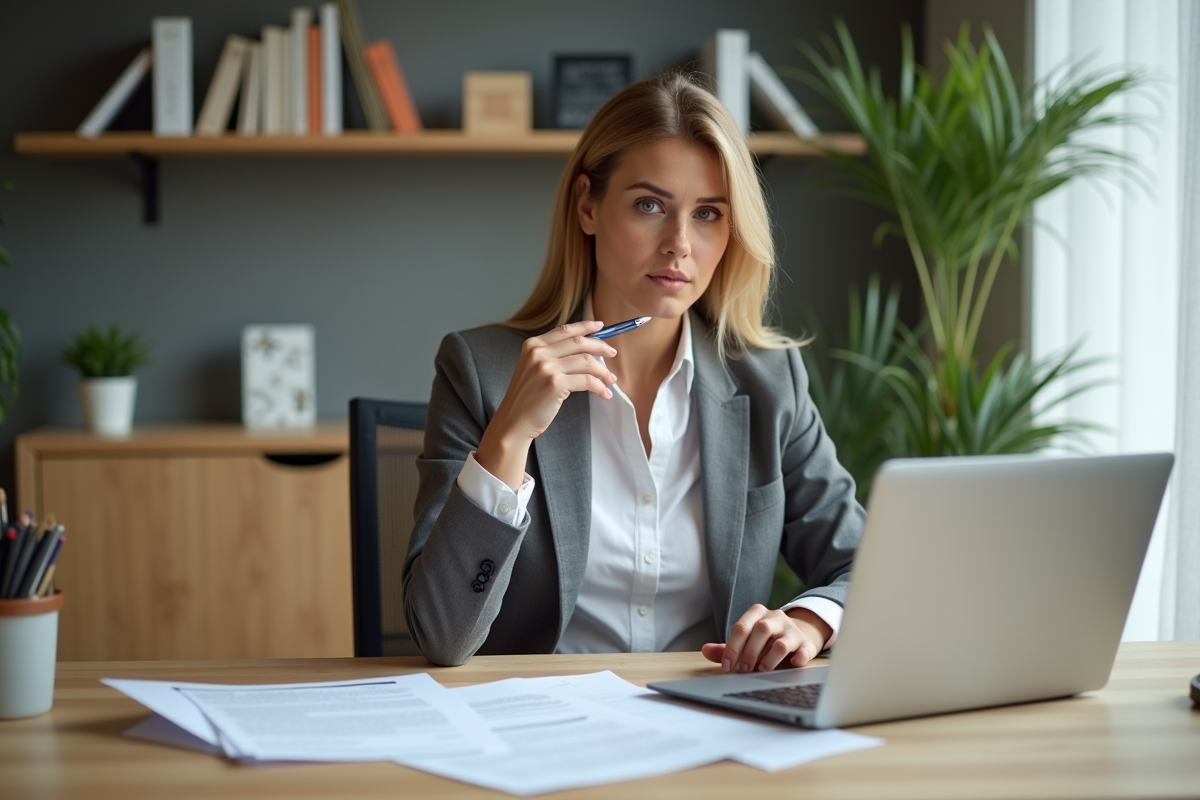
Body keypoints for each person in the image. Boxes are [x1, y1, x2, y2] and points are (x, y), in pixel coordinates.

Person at [404, 73, 864, 671]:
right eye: (650, 205)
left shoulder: (770, 380)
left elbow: (861, 566)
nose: (680, 244)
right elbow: (440, 635)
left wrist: (808, 621)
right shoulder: (482, 372)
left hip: (709, 719)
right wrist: (508, 438)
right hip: (543, 732)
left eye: (708, 214)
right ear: (587, 204)